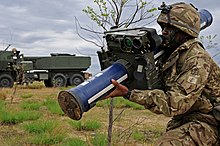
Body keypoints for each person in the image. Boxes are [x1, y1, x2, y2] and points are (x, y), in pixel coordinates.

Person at [105, 2, 220, 146]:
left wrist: (129, 94)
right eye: (163, 27)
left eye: (170, 28)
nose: (164, 32)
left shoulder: (197, 58)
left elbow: (176, 103)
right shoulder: (169, 54)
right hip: (188, 119)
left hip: (210, 121)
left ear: (184, 32)